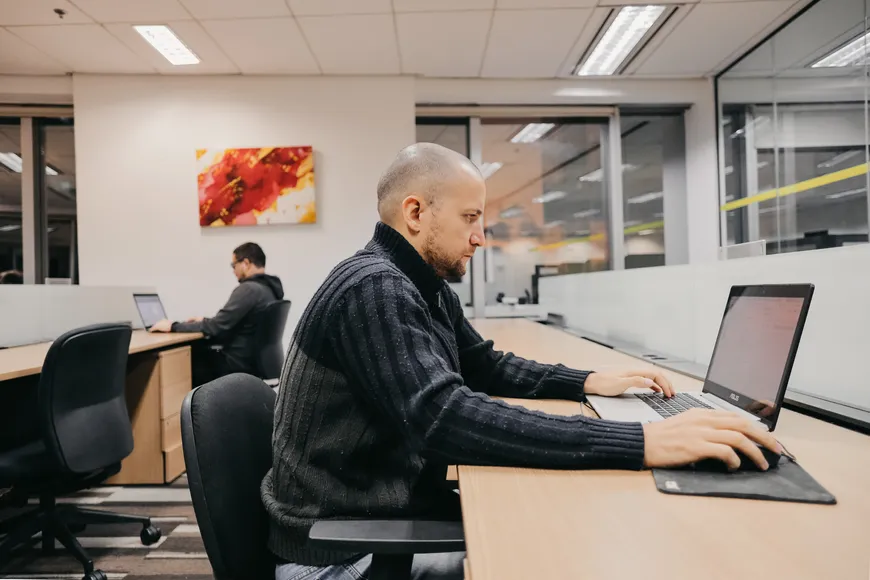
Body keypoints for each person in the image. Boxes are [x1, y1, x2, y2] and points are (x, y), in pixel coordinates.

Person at [262, 144, 780, 580]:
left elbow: (484, 367)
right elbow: (446, 418)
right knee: (560, 553)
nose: (481, 237)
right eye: (470, 218)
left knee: (558, 524)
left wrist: (589, 381)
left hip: (378, 507)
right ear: (415, 213)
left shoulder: (423, 287)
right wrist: (644, 441)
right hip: (339, 550)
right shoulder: (375, 288)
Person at [149, 242, 283, 385]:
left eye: (234, 265)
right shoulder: (268, 290)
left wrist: (173, 326)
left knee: (186, 356)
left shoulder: (249, 290)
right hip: (251, 361)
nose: (233, 270)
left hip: (235, 363)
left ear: (246, 263)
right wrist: (204, 320)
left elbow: (215, 327)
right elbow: (234, 324)